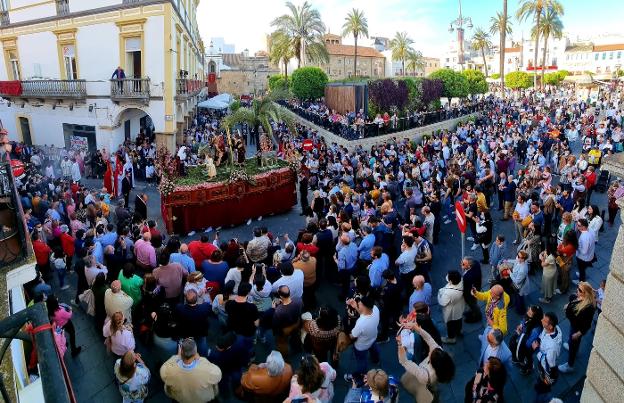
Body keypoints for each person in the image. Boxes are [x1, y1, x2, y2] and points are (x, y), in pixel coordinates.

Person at [397, 320, 455, 403]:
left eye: (430, 355)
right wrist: (417, 328)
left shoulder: (424, 375)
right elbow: (429, 338)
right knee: (433, 385)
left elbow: (404, 362)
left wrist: (400, 345)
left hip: (425, 381)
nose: (429, 352)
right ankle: (434, 390)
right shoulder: (438, 350)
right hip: (433, 378)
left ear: (433, 363)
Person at [160, 338, 222, 403]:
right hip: (202, 399)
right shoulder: (209, 371)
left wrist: (176, 357)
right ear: (195, 353)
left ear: (181, 352)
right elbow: (218, 375)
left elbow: (164, 369)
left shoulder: (168, 370)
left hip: (181, 399)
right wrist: (201, 359)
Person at [558, 281, 597, 373]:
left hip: (577, 329)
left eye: (579, 289)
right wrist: (568, 305)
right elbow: (573, 302)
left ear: (585, 293)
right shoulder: (579, 297)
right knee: (573, 342)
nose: (577, 290)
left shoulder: (588, 308)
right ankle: (572, 346)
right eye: (578, 287)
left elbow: (587, 325)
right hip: (574, 324)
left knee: (574, 344)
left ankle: (570, 365)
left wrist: (578, 334)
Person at [344, 295, 380, 384]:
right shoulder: (375, 309)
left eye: (360, 303)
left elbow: (353, 336)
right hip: (373, 337)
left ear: (365, 306)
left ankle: (361, 375)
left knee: (361, 360)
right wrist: (356, 307)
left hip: (361, 346)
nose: (358, 303)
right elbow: (364, 313)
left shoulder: (361, 323)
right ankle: (376, 359)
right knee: (374, 348)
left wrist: (346, 330)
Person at [532, 312, 563, 403]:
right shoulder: (552, 328)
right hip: (546, 362)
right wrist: (538, 339)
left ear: (550, 326)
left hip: (548, 370)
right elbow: (542, 335)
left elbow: (549, 363)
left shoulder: (552, 347)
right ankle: (541, 384)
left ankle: (544, 391)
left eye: (544, 320)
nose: (541, 320)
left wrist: (537, 349)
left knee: (544, 385)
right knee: (541, 380)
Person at [510, 305, 544, 374]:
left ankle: (528, 367)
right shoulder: (529, 318)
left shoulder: (536, 330)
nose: (527, 312)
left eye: (530, 313)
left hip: (527, 347)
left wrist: (520, 336)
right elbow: (524, 321)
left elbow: (528, 344)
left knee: (527, 357)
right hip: (523, 338)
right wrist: (521, 325)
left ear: (534, 317)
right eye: (529, 310)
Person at [271, 285, 303, 357]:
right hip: (296, 323)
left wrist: (274, 309)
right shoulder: (298, 300)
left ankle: (285, 356)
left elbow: (275, 324)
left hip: (285, 329)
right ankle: (298, 348)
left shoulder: (278, 311)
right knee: (296, 336)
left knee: (282, 343)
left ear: (280, 296)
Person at [438, 270, 465, 344]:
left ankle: (451, 338)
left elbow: (442, 302)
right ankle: (458, 332)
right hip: (459, 306)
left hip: (451, 311)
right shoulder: (462, 281)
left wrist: (440, 293)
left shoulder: (448, 292)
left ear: (450, 281)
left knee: (450, 324)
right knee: (458, 320)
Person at [574, 218, 595, 284]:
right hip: (590, 255)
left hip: (583, 258)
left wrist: (576, 247)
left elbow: (584, 251)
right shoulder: (590, 230)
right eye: (577, 224)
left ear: (583, 227)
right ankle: (581, 275)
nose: (577, 226)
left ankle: (581, 280)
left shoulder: (584, 237)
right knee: (582, 269)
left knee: (582, 269)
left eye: (579, 225)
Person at [462, 257, 482, 323]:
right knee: (473, 303)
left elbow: (466, 287)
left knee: (472, 304)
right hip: (476, 287)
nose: (461, 265)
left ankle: (477, 316)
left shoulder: (468, 277)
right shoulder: (475, 263)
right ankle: (472, 311)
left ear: (469, 266)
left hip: (471, 292)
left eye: (463, 264)